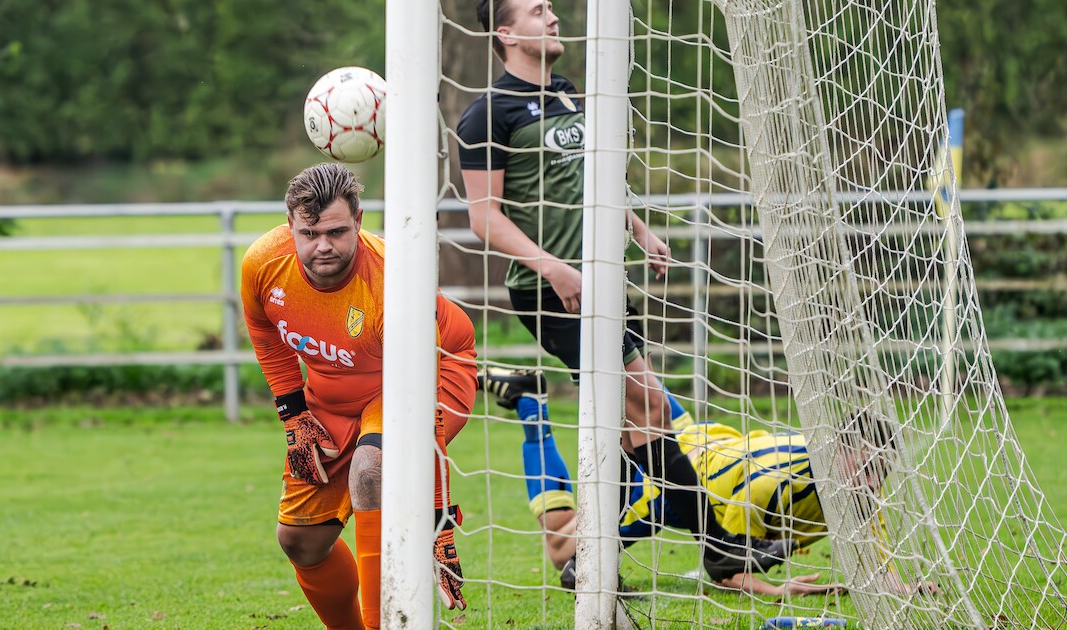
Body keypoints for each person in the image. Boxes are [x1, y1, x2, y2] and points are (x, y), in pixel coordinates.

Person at [457, 0, 791, 579]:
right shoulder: (488, 114)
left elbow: (596, 179)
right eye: (537, 11)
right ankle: (720, 551)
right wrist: (553, 269)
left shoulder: (566, 93)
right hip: (553, 292)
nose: (554, 16)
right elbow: (483, 217)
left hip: (605, 282)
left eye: (552, 8)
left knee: (633, 425)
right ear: (506, 33)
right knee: (650, 407)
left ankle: (587, 557)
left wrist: (638, 229)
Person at [241, 163, 478, 629]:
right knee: (300, 542)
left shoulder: (393, 285)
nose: (323, 245)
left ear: (359, 221)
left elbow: (420, 410)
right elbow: (265, 332)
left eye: (336, 231)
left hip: (434, 372)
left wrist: (438, 518)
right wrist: (294, 416)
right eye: (309, 232)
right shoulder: (263, 264)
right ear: (289, 225)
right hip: (336, 394)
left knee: (371, 470)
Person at [480, 367, 939, 597]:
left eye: (881, 469)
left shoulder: (857, 493)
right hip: (681, 482)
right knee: (565, 551)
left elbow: (877, 556)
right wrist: (776, 591)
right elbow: (724, 566)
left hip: (706, 440)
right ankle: (531, 405)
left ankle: (609, 360)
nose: (871, 480)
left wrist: (902, 586)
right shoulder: (772, 486)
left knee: (643, 400)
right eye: (865, 467)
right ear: (838, 452)